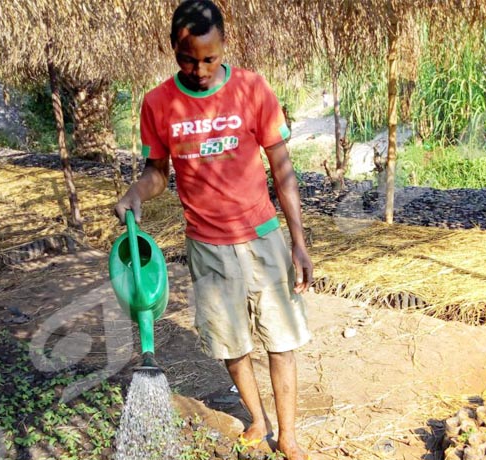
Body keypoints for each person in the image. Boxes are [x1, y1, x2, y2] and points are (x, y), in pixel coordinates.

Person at [114, 1, 313, 459]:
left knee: (281, 341)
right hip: (207, 245)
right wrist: (135, 194)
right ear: (173, 50)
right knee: (231, 343)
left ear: (224, 46)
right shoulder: (158, 103)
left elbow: (281, 167)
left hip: (263, 237)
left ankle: (289, 435)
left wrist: (298, 243)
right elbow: (157, 172)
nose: (200, 69)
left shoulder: (252, 89)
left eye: (209, 57)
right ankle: (257, 419)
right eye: (188, 58)